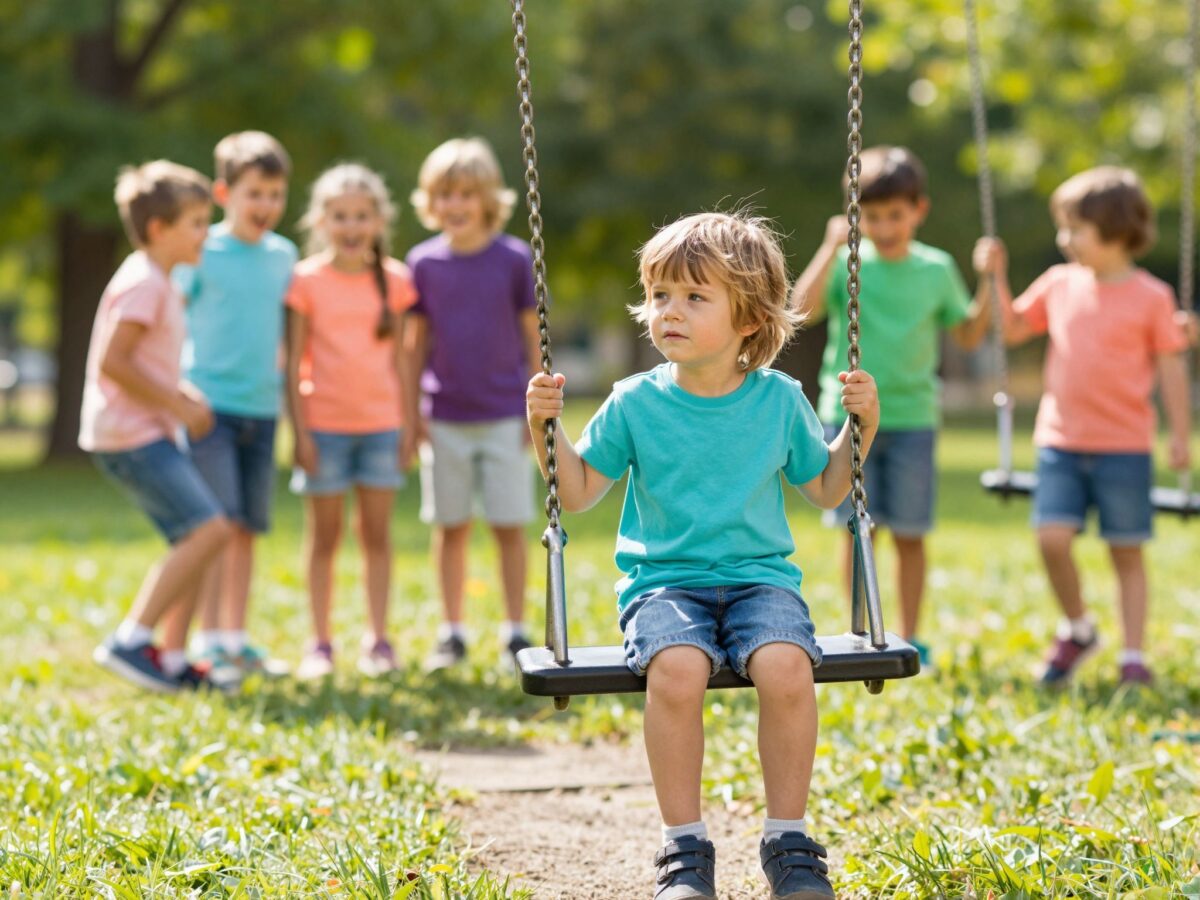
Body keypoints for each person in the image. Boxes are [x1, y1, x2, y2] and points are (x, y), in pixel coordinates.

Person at [526, 211, 879, 899]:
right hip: (665, 588)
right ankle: (683, 851)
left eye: (693, 297)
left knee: (785, 665)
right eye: (660, 296)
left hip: (760, 583)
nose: (669, 312)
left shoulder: (779, 399)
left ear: (748, 318)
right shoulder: (634, 401)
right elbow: (577, 492)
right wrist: (543, 429)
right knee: (678, 670)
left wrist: (863, 425)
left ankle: (789, 840)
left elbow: (827, 486)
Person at [975, 166, 1192, 686]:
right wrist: (995, 277)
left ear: (1116, 232)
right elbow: (1014, 329)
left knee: (1126, 549)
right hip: (1061, 441)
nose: (1063, 239)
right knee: (1051, 538)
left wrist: (1181, 434)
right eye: (1063, 228)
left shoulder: (1152, 297)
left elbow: (1171, 369)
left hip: (1124, 446)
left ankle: (1133, 655)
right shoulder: (1059, 283)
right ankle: (1078, 627)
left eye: (1075, 229)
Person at [792, 146, 991, 666]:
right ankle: (859, 626)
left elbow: (969, 333)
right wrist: (829, 246)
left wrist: (990, 280)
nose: (882, 227)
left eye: (895, 216)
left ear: (919, 210)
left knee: (910, 532)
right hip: (847, 417)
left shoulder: (935, 268)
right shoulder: (846, 263)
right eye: (871, 217)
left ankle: (911, 631)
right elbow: (798, 312)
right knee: (858, 529)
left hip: (912, 418)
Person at [83, 160, 232, 692]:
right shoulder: (144, 282)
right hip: (131, 434)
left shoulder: (158, 280)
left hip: (144, 431)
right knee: (209, 529)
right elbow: (113, 362)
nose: (205, 234)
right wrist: (177, 404)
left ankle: (170, 660)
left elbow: (140, 361)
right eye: (196, 223)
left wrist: (182, 394)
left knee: (200, 537)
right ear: (157, 230)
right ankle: (131, 639)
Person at [162, 131, 297, 682]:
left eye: (275, 193)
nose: (265, 205)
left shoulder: (285, 256)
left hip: (261, 411)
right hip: (207, 410)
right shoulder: (201, 253)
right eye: (254, 193)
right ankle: (209, 642)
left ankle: (233, 638)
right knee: (214, 525)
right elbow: (169, 324)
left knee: (245, 528)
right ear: (224, 193)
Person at [404, 137, 541, 671]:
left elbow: (533, 336)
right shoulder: (423, 263)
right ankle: (453, 631)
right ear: (430, 201)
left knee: (509, 523)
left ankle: (514, 630)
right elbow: (416, 344)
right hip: (445, 416)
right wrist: (411, 411)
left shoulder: (513, 259)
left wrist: (534, 408)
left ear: (487, 198)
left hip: (505, 414)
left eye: (465, 194)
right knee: (451, 525)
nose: (455, 205)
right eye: (444, 195)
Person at [285, 163, 416, 679]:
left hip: (382, 426)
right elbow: (294, 360)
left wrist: (409, 426)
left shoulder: (398, 281)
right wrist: (298, 432)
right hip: (323, 428)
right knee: (323, 537)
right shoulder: (305, 280)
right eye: (340, 216)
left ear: (379, 221)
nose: (351, 226)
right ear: (321, 221)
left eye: (362, 215)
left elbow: (406, 361)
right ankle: (319, 643)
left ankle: (378, 640)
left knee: (376, 536)